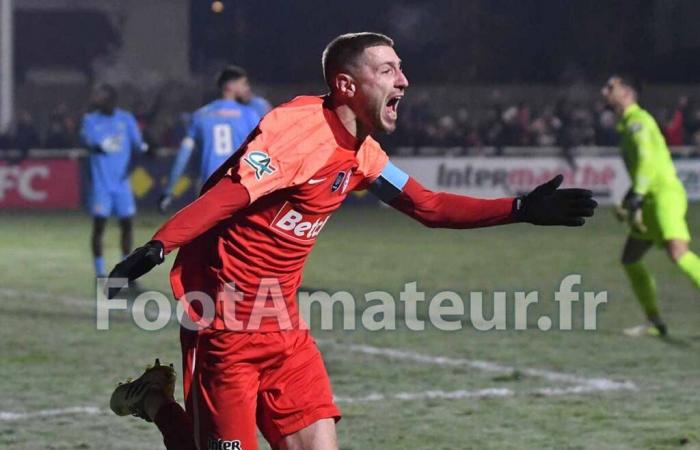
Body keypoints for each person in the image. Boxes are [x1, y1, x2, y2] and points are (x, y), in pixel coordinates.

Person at [107, 33, 596, 450]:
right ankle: (155, 401)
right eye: (387, 70)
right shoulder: (297, 132)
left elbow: (428, 205)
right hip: (224, 329)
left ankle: (155, 398)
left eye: (401, 69)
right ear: (346, 84)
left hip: (283, 330)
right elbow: (228, 197)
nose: (402, 79)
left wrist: (519, 209)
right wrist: (159, 244)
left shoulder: (363, 154)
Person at [602, 75, 700, 337]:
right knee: (630, 258)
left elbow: (647, 161)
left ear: (627, 93)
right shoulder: (626, 125)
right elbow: (641, 169)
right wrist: (630, 198)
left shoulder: (638, 122)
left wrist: (637, 195)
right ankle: (654, 321)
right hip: (648, 198)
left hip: (662, 196)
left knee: (678, 253)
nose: (605, 91)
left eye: (611, 87)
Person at [158, 66, 262, 212]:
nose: (247, 88)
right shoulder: (249, 115)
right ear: (230, 86)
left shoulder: (200, 115)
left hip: (208, 185)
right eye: (243, 84)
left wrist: (168, 191)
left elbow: (183, 156)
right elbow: (262, 152)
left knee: (207, 233)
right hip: (239, 185)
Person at [81, 84, 147, 277]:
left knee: (127, 225)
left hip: (122, 184)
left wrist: (132, 167)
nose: (96, 100)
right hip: (102, 184)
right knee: (99, 226)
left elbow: (138, 146)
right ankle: (100, 271)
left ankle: (125, 269)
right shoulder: (90, 120)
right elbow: (90, 143)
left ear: (111, 99)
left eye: (100, 97)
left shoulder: (126, 119)